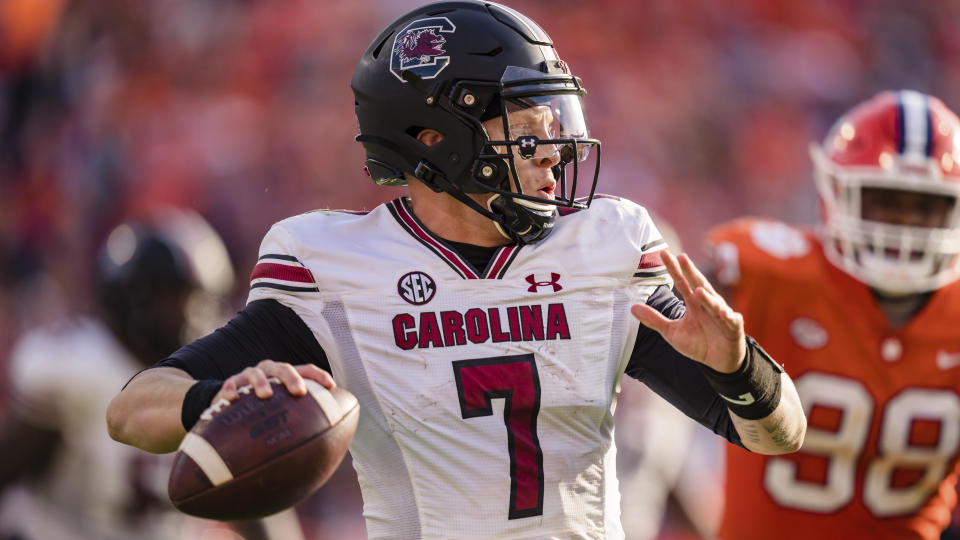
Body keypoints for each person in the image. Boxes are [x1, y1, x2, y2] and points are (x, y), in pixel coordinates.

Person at [107, 2, 806, 538]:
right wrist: (221, 398)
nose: (556, 149)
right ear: (436, 136)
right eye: (530, 123)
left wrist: (739, 364)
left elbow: (779, 434)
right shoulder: (338, 270)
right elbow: (132, 410)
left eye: (556, 119)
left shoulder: (605, 248)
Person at [709, 90, 960, 540]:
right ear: (837, 192)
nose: (901, 224)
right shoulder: (767, 272)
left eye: (924, 206)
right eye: (884, 199)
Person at [0, 206, 235, 540]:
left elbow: (258, 502)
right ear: (136, 296)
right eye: (179, 297)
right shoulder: (76, 368)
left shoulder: (210, 379)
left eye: (203, 300)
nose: (194, 315)